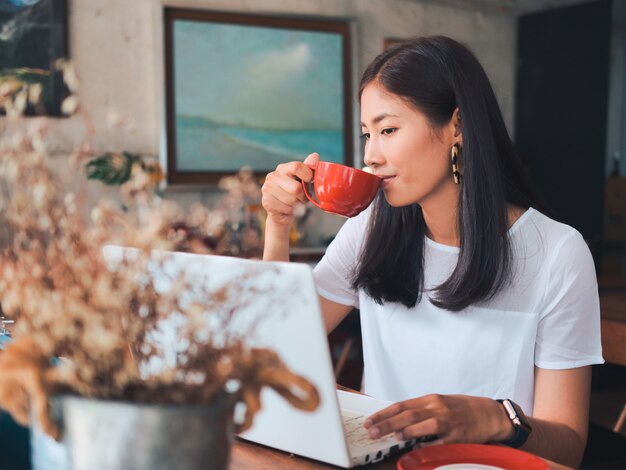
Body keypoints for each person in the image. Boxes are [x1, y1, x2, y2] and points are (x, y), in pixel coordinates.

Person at [260, 36, 603, 468]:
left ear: (456, 126)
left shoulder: (557, 253)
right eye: (367, 134)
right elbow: (276, 346)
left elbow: (568, 447)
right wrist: (278, 225)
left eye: (387, 130)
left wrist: (495, 419)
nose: (371, 156)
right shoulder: (370, 228)